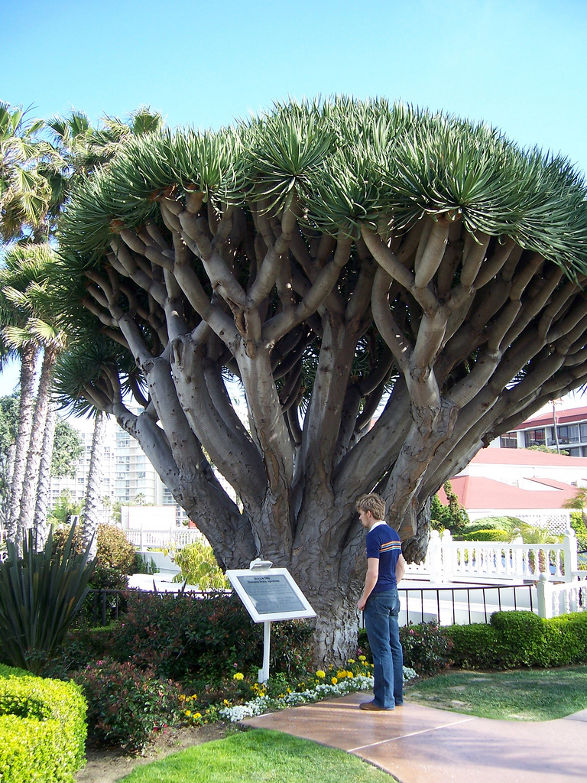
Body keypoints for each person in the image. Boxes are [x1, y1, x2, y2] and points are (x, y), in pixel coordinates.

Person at [356, 492, 406, 711]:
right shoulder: (393, 534)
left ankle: (382, 700)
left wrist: (363, 598)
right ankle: (396, 697)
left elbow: (372, 573)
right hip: (393, 595)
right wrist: (391, 586)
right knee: (395, 646)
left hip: (378, 597)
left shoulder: (374, 536)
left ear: (369, 513)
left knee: (381, 648)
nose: (359, 519)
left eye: (360, 515)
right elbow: (402, 567)